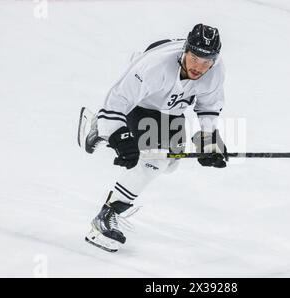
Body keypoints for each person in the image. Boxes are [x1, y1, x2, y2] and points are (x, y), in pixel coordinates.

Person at [82, 24, 228, 252]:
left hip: (173, 109)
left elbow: (208, 105)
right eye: (195, 58)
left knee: (170, 163)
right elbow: (117, 101)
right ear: (185, 51)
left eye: (206, 61)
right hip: (141, 104)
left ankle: (100, 128)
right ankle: (107, 215)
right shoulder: (154, 66)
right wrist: (119, 135)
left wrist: (208, 141)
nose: (200, 67)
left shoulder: (215, 71)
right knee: (153, 161)